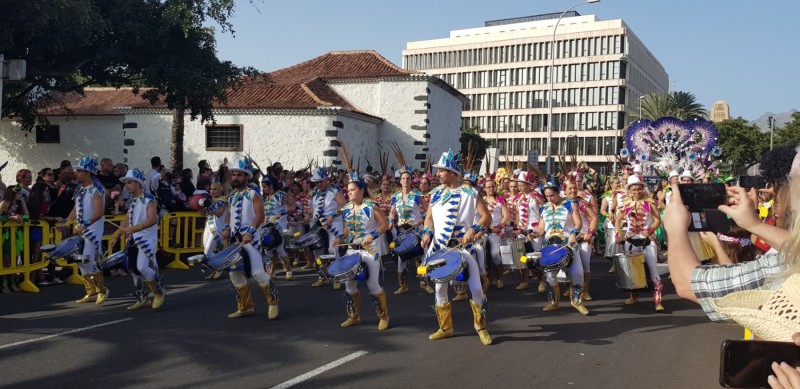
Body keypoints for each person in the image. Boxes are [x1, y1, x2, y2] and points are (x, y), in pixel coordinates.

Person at [421, 149, 493, 345]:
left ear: (452, 172)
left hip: (463, 248)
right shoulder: (435, 194)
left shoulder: (470, 193)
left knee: (476, 289)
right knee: (439, 289)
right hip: (440, 248)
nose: (437, 175)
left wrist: (474, 229)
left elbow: (487, 217)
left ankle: (481, 327)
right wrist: (427, 233)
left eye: (441, 171)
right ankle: (446, 328)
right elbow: (428, 218)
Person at [220, 157, 279, 319]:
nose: (236, 178)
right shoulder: (231, 196)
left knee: (258, 272)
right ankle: (246, 306)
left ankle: (273, 302)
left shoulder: (253, 194)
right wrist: (226, 228)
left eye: (240, 175)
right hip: (235, 240)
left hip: (251, 239)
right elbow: (229, 216)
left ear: (247, 177)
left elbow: (260, 215)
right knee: (235, 274)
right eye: (234, 175)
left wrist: (250, 232)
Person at [332, 172, 391, 330]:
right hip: (352, 249)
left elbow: (385, 225)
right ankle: (354, 316)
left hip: (370, 250)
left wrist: (372, 235)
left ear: (361, 190)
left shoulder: (371, 206)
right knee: (349, 285)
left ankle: (383, 316)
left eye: (352, 190)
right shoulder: (347, 208)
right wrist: (340, 238)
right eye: (347, 190)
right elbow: (347, 228)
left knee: (372, 285)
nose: (348, 192)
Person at [110, 168, 165, 310]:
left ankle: (158, 291)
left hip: (146, 239)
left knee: (142, 266)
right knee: (134, 269)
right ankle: (142, 298)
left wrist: (134, 228)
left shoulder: (149, 199)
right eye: (125, 183)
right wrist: (117, 234)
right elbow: (127, 219)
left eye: (129, 182)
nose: (126, 185)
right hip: (133, 239)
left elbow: (153, 219)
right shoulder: (133, 201)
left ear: (138, 184)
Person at [531, 179, 587, 315]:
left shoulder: (570, 204)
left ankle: (577, 301)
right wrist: (533, 234)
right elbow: (541, 228)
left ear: (558, 192)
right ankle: (553, 302)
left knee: (578, 273)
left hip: (568, 243)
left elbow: (578, 223)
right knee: (550, 275)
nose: (549, 198)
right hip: (550, 245)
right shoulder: (544, 207)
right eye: (547, 196)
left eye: (552, 195)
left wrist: (574, 234)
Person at [59, 156, 109, 305]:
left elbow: (99, 212)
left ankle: (102, 290)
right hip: (81, 229)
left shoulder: (96, 189)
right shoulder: (80, 189)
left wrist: (84, 225)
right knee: (80, 261)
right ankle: (91, 291)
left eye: (80, 171)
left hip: (92, 230)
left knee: (88, 259)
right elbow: (76, 209)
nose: (77, 173)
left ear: (88, 173)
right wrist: (67, 222)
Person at [614, 175, 664, 311]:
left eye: (639, 189)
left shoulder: (650, 202)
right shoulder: (625, 204)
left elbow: (657, 220)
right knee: (633, 270)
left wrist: (650, 230)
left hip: (647, 240)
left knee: (653, 269)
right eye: (633, 189)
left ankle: (658, 301)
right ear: (629, 190)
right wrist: (618, 234)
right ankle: (634, 296)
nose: (636, 192)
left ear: (643, 189)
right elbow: (617, 220)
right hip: (630, 239)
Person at [308, 167, 347, 288]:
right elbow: (312, 208)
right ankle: (323, 276)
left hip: (333, 225)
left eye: (320, 181)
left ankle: (338, 277)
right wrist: (309, 216)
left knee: (332, 250)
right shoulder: (314, 192)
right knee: (317, 251)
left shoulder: (335, 190)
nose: (318, 184)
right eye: (316, 182)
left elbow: (343, 205)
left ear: (326, 179)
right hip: (318, 225)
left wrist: (333, 215)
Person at [389, 164, 424, 295]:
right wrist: (391, 221)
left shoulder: (416, 194)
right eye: (403, 178)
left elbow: (427, 209)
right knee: (401, 259)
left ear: (411, 180)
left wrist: (422, 219)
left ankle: (424, 283)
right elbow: (392, 212)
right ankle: (403, 285)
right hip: (402, 231)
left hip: (416, 229)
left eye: (408, 178)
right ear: (400, 180)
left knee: (422, 256)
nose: (405, 181)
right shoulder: (396, 196)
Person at [564, 179, 599, 301]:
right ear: (565, 191)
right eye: (570, 188)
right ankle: (570, 288)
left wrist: (589, 233)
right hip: (568, 238)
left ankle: (585, 290)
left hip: (583, 238)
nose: (573, 190)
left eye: (574, 188)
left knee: (585, 265)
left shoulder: (582, 203)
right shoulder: (562, 204)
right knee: (567, 264)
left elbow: (594, 218)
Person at [261, 175, 297, 280]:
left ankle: (288, 269)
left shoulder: (280, 195)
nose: (263, 189)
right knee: (268, 249)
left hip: (279, 226)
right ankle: (271, 272)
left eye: (264, 186)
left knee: (279, 248)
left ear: (271, 186)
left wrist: (282, 212)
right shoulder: (264, 198)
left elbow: (294, 206)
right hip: (266, 227)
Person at [482, 177, 510, 288]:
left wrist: (499, 227)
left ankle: (500, 277)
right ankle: (489, 277)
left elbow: (506, 216)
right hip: (484, 231)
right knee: (484, 255)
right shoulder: (482, 200)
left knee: (495, 255)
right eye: (488, 187)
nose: (491, 189)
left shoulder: (500, 199)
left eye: (493, 186)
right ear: (484, 188)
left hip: (496, 231)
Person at [202, 182, 228, 280]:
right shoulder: (210, 200)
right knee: (206, 252)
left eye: (215, 189)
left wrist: (210, 206)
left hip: (218, 228)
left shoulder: (223, 200)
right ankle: (215, 269)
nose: (212, 191)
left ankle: (221, 265)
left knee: (208, 251)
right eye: (211, 189)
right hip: (208, 227)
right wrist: (199, 205)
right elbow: (202, 214)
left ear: (220, 190)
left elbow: (219, 214)